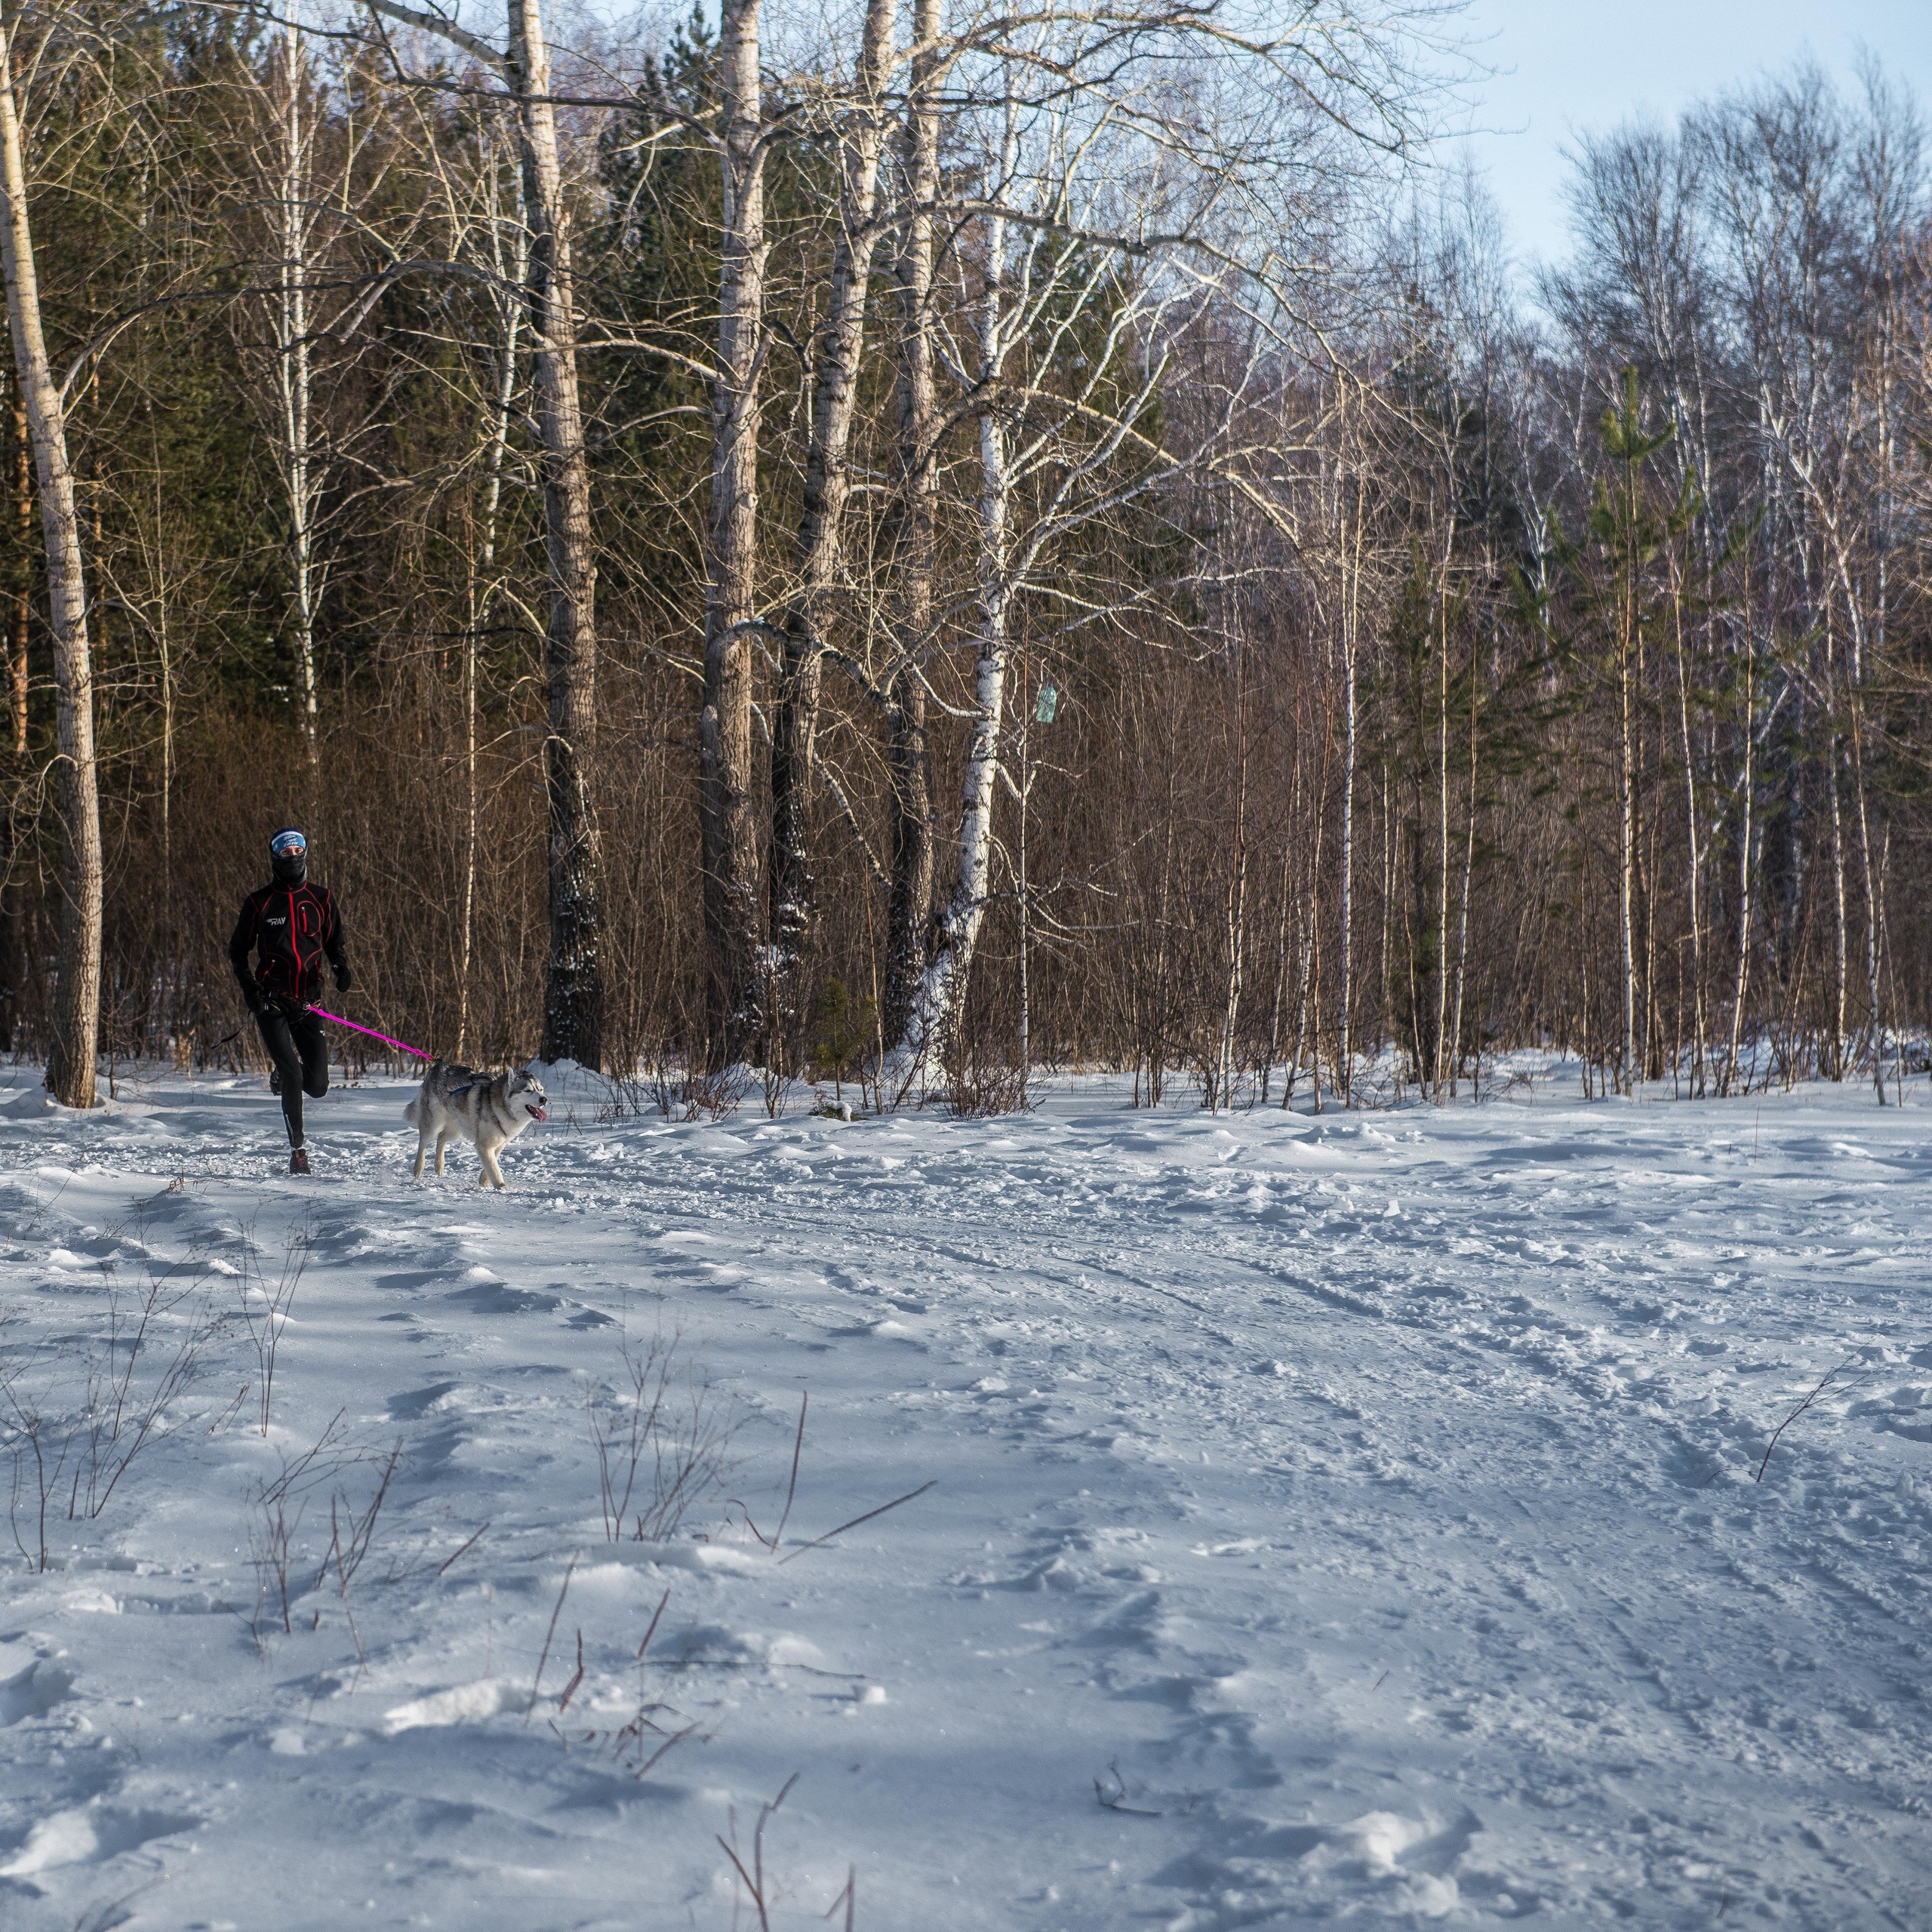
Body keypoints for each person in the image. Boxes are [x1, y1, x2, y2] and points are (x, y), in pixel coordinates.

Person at [229, 826, 351, 1174]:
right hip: (272, 1002)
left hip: (309, 1004)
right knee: (294, 1075)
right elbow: (238, 951)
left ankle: (284, 1076)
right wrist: (249, 988)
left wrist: (342, 968)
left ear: (306, 855)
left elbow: (335, 944)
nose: (293, 858)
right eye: (286, 853)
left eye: (298, 852)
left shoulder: (322, 898)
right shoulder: (259, 902)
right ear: (274, 858)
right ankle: (298, 1151)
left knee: (317, 1086)